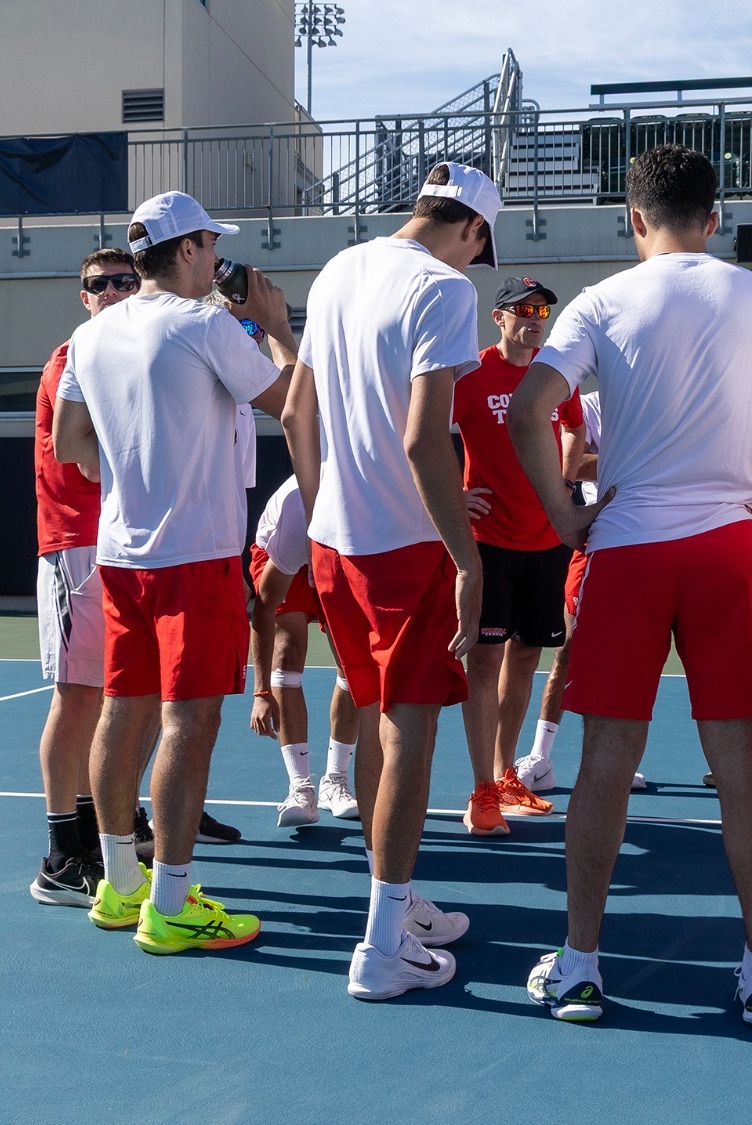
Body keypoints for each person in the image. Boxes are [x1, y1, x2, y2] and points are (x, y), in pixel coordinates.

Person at [511, 143, 752, 1031]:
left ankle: (583, 966)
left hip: (628, 549)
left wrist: (564, 518)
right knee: (744, 765)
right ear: (715, 220)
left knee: (604, 763)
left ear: (634, 221)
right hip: (726, 547)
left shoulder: (602, 301)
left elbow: (528, 411)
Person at [52, 190, 296, 955]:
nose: (217, 262)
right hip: (194, 554)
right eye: (211, 248)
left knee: (123, 712)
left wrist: (137, 464)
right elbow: (292, 402)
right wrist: (283, 330)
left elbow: (67, 440)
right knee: (189, 722)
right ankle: (172, 901)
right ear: (186, 249)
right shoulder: (203, 323)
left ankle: (121, 887)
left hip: (122, 552)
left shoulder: (90, 335)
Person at [282, 161, 498, 1001]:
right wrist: (468, 560)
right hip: (403, 549)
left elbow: (298, 412)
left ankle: (395, 901)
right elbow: (422, 441)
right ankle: (379, 947)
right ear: (472, 231)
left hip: (337, 540)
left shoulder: (339, 266)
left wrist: (320, 500)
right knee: (408, 734)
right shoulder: (444, 292)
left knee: (376, 720)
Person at [29, 248, 138, 908]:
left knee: (117, 697)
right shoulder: (77, 356)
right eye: (101, 284)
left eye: (126, 280)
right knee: (78, 698)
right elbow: (96, 459)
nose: (115, 291)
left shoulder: (123, 352)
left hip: (118, 542)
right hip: (76, 544)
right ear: (85, 297)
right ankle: (61, 853)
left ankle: (109, 823)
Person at [451, 275, 579, 834]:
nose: (534, 318)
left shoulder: (554, 374)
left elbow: (575, 429)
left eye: (543, 311)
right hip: (490, 545)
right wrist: (452, 495)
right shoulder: (470, 375)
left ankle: (506, 775)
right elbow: (417, 434)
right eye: (522, 309)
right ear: (498, 317)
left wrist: (564, 485)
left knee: (527, 658)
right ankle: (480, 792)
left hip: (547, 541)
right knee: (484, 664)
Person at [514, 390, 649, 795]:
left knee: (637, 656)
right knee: (569, 649)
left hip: (654, 541)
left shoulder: (658, 395)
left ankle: (625, 759)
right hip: (598, 539)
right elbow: (569, 463)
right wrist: (630, 466)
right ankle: (541, 757)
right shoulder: (590, 404)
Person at [248, 474, 361, 827]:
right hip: (283, 553)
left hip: (342, 553)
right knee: (289, 652)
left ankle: (335, 780)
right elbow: (263, 611)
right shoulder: (294, 519)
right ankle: (301, 788)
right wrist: (261, 690)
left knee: (353, 665)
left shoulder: (368, 510)